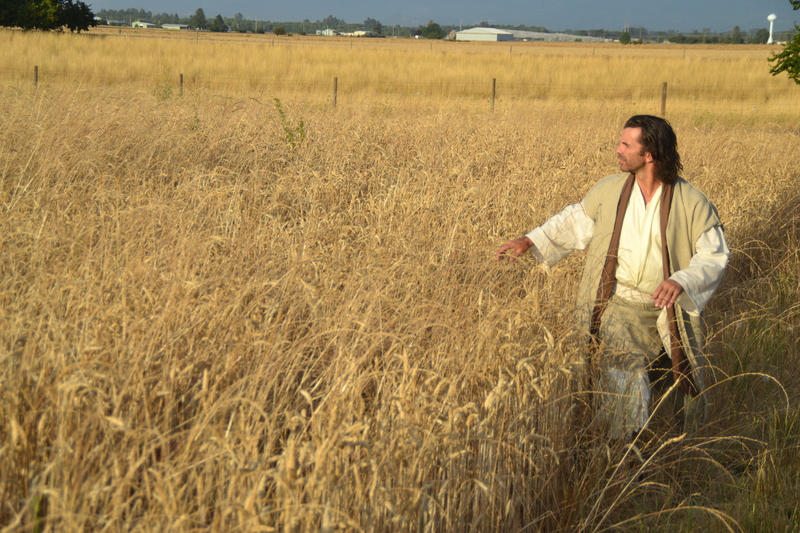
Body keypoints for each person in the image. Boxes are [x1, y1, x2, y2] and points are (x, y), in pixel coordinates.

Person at [495, 115, 729, 439]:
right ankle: (624, 449)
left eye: (625, 145)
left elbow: (714, 255)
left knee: (679, 381)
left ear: (649, 154)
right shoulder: (609, 190)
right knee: (623, 375)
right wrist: (530, 240)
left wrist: (682, 281)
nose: (617, 150)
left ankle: (679, 449)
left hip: (671, 310)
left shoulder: (691, 201)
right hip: (620, 306)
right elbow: (574, 221)